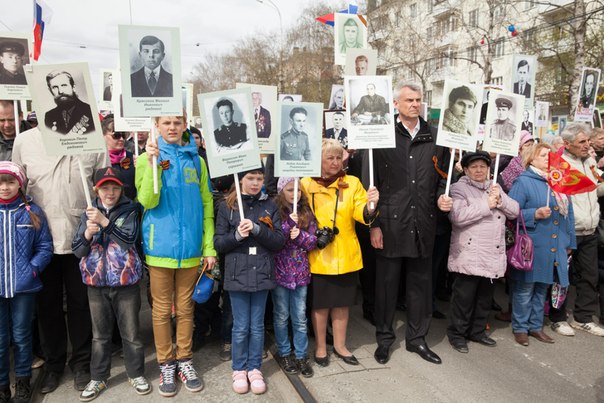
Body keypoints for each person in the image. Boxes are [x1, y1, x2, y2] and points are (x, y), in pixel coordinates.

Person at [13, 125, 108, 394]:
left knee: (81, 304)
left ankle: (81, 362)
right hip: (39, 241)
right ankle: (54, 364)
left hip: (81, 238)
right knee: (48, 306)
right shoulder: (25, 141)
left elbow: (103, 184)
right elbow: (17, 188)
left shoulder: (92, 139)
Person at [364, 81, 452, 365]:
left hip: (424, 223)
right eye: (409, 100)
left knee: (420, 286)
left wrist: (442, 197)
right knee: (387, 287)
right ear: (396, 104)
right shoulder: (380, 135)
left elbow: (443, 178)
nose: (414, 104)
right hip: (390, 223)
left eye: (418, 100)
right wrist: (373, 224)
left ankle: (417, 339)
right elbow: (369, 185)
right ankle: (385, 339)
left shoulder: (436, 136)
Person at [135, 114, 217, 396]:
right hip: (160, 250)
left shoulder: (198, 161)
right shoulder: (146, 159)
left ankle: (184, 360)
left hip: (192, 251)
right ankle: (166, 363)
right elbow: (147, 200)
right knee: (160, 312)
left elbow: (207, 204)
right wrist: (152, 164)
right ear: (157, 126)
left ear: (184, 126)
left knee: (186, 309)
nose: (172, 128)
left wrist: (208, 247)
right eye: (166, 123)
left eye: (177, 123)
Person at [72, 168, 150, 401]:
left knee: (131, 333)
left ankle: (135, 373)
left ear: (121, 189)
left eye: (115, 187)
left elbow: (128, 240)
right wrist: (87, 233)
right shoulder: (87, 213)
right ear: (96, 189)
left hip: (125, 282)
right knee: (100, 335)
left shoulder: (131, 209)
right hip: (95, 284)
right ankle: (98, 377)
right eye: (105, 187)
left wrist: (105, 222)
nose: (110, 192)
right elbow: (77, 250)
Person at [301, 139, 378, 368]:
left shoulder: (352, 183)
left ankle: (341, 346)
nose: (335, 162)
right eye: (329, 158)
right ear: (319, 160)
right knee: (321, 305)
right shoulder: (305, 184)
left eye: (338, 157)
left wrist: (371, 207)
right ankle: (321, 347)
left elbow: (360, 214)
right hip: (318, 254)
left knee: (342, 304)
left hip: (346, 254)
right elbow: (294, 210)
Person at [214, 167, 286, 394]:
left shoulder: (270, 205)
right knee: (240, 326)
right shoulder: (228, 206)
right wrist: (237, 236)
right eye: (250, 178)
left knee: (256, 326)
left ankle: (255, 368)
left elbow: (278, 241)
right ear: (241, 179)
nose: (255, 183)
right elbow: (219, 244)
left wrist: (257, 229)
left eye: (259, 179)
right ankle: (239, 368)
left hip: (262, 273)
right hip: (237, 275)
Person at [447, 151, 519, 353]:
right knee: (464, 298)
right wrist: (486, 204)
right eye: (474, 167)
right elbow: (458, 216)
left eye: (483, 167)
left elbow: (515, 211)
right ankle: (457, 334)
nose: (479, 170)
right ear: (467, 170)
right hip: (469, 253)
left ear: (489, 169)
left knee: (484, 297)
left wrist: (500, 200)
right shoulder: (458, 188)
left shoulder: (495, 187)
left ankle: (477, 331)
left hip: (492, 253)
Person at [508, 143, 576, 346]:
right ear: (531, 159)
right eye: (543, 155)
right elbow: (511, 212)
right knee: (525, 288)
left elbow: (569, 215)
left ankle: (535, 326)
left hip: (555, 246)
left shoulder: (559, 182)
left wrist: (570, 241)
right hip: (532, 246)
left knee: (542, 289)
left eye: (550, 155)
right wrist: (533, 214)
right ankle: (520, 328)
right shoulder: (523, 182)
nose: (549, 158)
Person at [0, 161, 53, 403]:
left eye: (10, 182)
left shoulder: (32, 211)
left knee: (21, 336)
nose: (5, 187)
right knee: (0, 339)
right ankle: (2, 385)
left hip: (23, 286)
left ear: (20, 184)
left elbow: (44, 246)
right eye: (1, 182)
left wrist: (32, 270)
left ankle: (22, 381)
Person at [549, 123, 604, 337]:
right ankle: (557, 317)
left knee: (589, 277)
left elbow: (596, 187)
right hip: (567, 231)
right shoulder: (559, 164)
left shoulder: (589, 161)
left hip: (589, 230)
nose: (587, 145)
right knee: (561, 277)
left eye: (588, 141)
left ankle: (583, 318)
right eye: (582, 142)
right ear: (567, 144)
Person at [272, 177, 317, 378]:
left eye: (298, 190)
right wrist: (288, 225)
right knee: (281, 316)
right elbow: (273, 241)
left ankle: (301, 354)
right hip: (280, 273)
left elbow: (313, 242)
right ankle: (284, 352)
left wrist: (300, 235)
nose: (295, 193)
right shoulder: (275, 213)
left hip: (300, 274)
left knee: (299, 317)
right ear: (282, 191)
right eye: (290, 189)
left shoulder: (306, 213)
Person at [44, 71, 95, 135]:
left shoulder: (90, 111)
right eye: (55, 87)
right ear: (50, 91)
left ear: (73, 87)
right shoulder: (49, 116)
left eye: (64, 85)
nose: (60, 91)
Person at [101, 115, 136, 200]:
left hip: (129, 207)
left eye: (123, 135)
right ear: (103, 135)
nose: (121, 139)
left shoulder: (132, 157)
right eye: (116, 135)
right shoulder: (99, 159)